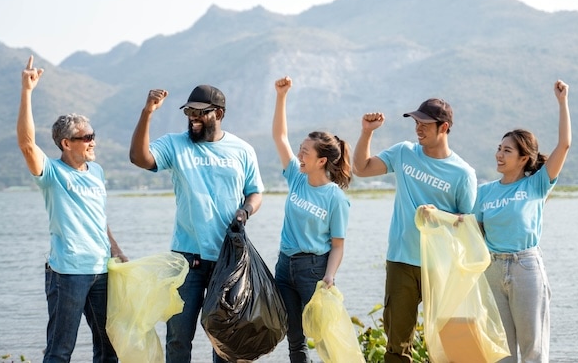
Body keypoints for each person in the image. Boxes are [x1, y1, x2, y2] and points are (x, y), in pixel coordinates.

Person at [129, 85, 264, 363]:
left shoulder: (242, 150)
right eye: (189, 112)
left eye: (200, 113)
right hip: (187, 259)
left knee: (225, 339)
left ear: (219, 113)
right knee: (178, 337)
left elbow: (255, 192)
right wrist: (147, 113)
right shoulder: (175, 144)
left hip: (229, 259)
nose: (193, 118)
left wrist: (246, 211)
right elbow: (139, 158)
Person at [16, 55, 127, 363]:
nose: (93, 141)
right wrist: (27, 92)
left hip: (101, 269)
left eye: (93, 135)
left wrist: (116, 250)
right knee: (60, 349)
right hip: (68, 273)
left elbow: (99, 218)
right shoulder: (51, 173)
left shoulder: (97, 172)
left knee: (109, 348)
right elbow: (27, 144)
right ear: (66, 143)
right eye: (86, 137)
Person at [352, 97, 477, 362]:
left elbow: (467, 223)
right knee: (397, 344)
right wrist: (366, 132)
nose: (418, 128)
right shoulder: (403, 153)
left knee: (447, 341)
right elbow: (361, 169)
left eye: (426, 124)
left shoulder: (463, 173)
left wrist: (439, 216)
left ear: (443, 128)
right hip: (401, 261)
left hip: (441, 266)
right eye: (417, 122)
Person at [473, 80, 571, 362]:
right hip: (492, 270)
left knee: (533, 350)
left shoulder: (537, 185)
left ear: (523, 158)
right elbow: (470, 229)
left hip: (525, 268)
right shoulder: (484, 191)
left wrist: (562, 102)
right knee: (501, 351)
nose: (499, 155)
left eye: (507, 151)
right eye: (498, 148)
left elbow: (564, 145)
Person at [272, 76, 352, 363]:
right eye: (300, 150)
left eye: (305, 152)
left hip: (313, 270)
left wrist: (330, 275)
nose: (299, 155)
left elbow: (338, 244)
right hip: (284, 267)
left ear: (321, 161)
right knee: (295, 338)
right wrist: (282, 96)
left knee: (324, 337)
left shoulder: (335, 197)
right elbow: (280, 137)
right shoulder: (296, 177)